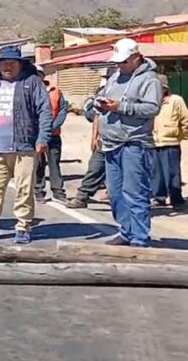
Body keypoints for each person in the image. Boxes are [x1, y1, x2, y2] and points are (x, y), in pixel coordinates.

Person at [0, 46, 51, 244]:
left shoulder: (32, 83)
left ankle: (23, 226)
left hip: (25, 147)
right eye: (4, 63)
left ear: (20, 64)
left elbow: (45, 112)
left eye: (12, 63)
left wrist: (42, 138)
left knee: (24, 189)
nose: (7, 67)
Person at [90, 38, 162, 247]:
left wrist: (120, 107)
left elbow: (151, 108)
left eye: (123, 62)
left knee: (134, 192)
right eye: (117, 62)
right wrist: (99, 104)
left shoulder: (150, 80)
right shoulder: (114, 77)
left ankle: (139, 237)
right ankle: (125, 230)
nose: (119, 65)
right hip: (111, 142)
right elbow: (103, 96)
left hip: (134, 143)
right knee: (115, 192)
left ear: (136, 57)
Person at [67, 72, 110, 209]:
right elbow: (97, 115)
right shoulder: (105, 92)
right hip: (105, 139)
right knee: (95, 168)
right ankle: (82, 197)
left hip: (125, 139)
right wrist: (95, 136)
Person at [152, 73, 188, 211]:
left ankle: (176, 199)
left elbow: (187, 121)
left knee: (172, 172)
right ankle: (159, 197)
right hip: (152, 142)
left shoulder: (176, 100)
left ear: (165, 88)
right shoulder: (150, 103)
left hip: (170, 142)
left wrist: (180, 135)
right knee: (155, 172)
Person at [33, 64, 68, 204]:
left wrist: (52, 127)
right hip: (37, 135)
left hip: (53, 134)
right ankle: (38, 190)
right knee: (39, 164)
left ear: (43, 75)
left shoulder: (55, 91)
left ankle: (58, 191)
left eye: (39, 74)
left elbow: (62, 110)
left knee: (54, 163)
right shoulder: (31, 91)